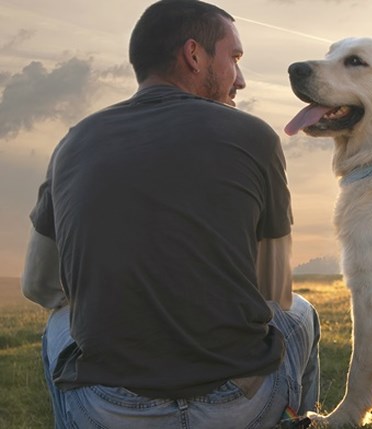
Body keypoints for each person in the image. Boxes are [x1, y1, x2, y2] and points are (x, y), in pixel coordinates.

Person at [20, 1, 320, 428]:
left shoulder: (74, 143)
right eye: (233, 58)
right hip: (236, 406)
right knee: (300, 313)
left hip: (108, 410)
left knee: (60, 324)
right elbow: (274, 290)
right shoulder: (254, 136)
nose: (242, 79)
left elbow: (39, 285)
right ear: (194, 55)